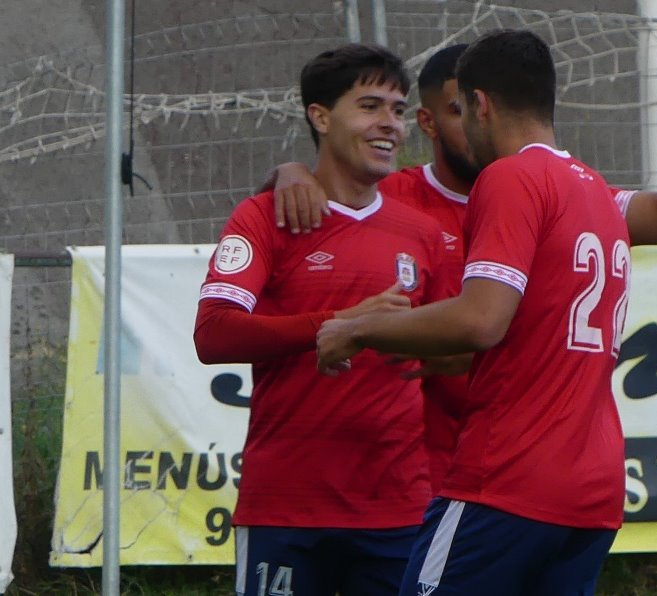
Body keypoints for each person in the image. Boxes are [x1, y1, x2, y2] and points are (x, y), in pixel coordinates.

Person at [316, 29, 657, 596]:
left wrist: (359, 327)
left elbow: (482, 320)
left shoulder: (511, 177)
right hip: (591, 491)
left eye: (463, 108)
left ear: (480, 105)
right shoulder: (588, 188)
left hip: (508, 478)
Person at [193, 43, 454, 596]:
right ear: (320, 115)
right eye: (370, 106)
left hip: (398, 508)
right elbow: (214, 333)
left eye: (398, 109)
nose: (389, 124)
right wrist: (340, 322)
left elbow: (456, 345)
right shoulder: (265, 215)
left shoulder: (423, 233)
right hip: (286, 507)